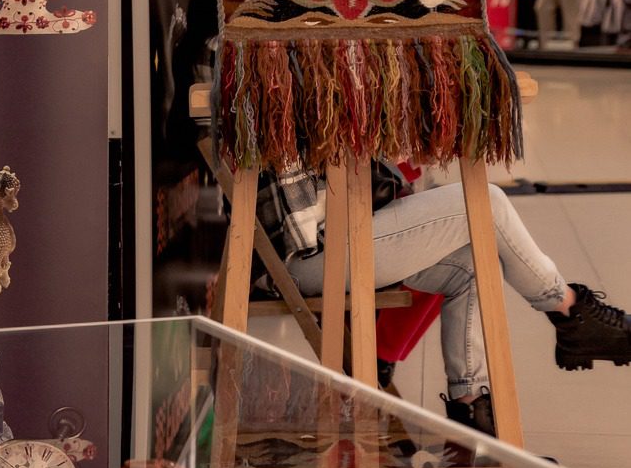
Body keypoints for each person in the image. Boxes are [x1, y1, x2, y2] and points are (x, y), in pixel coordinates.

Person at [257, 163, 631, 442]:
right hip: (302, 254)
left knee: (471, 262)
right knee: (486, 202)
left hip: (322, 239)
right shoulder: (277, 85)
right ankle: (572, 314)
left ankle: (472, 417)